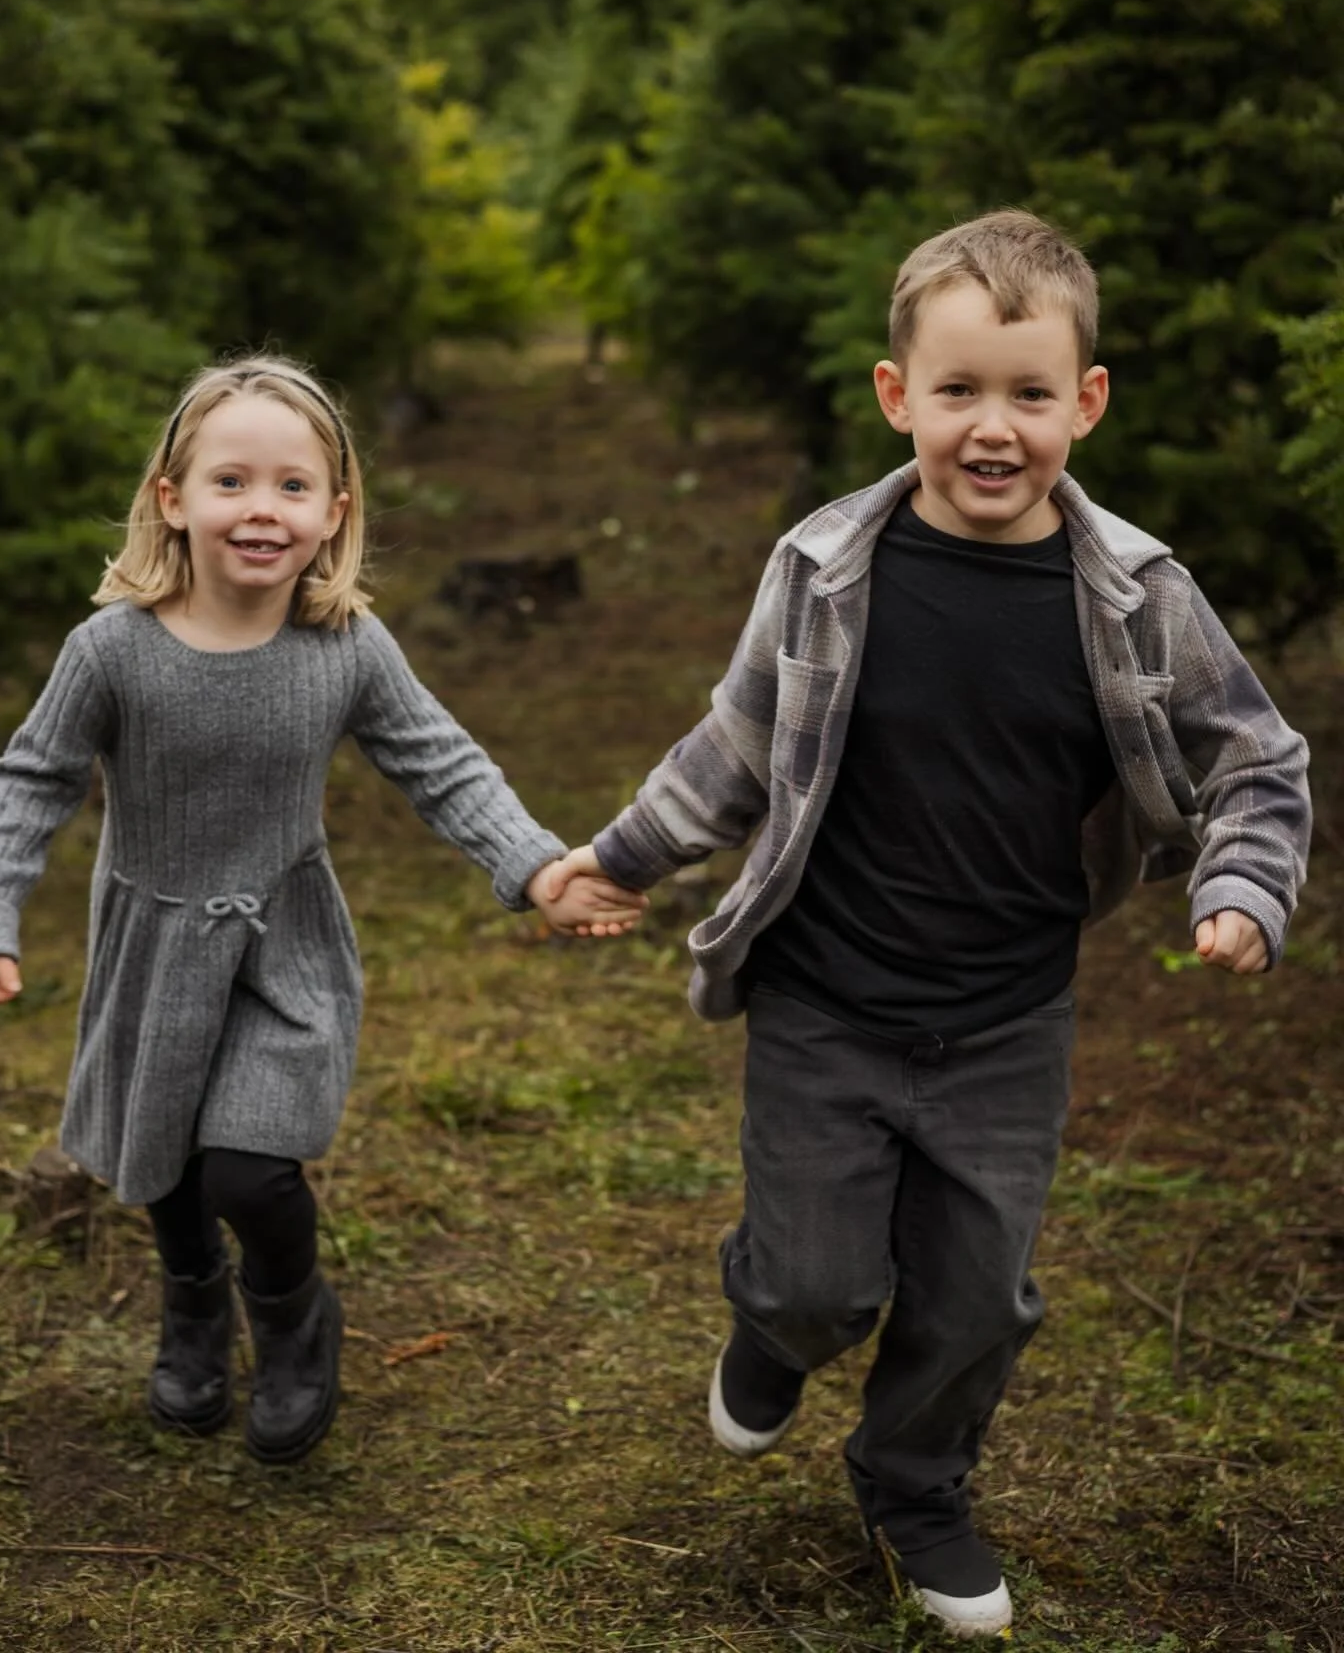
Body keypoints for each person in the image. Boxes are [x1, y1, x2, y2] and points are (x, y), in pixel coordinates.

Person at [544, 211, 1311, 1637]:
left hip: (1008, 1023)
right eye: (958, 392)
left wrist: (1244, 886)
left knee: (974, 1305)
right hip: (828, 1007)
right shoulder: (829, 569)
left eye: (1030, 394)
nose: (994, 428)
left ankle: (914, 1484)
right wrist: (627, 855)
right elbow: (739, 742)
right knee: (821, 1283)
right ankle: (773, 1327)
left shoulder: (1141, 599)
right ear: (899, 396)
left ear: (1086, 401)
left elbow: (1258, 758)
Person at [0, 355, 645, 1465]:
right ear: (172, 498)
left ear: (333, 512)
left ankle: (293, 1314)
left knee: (249, 1167)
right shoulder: (112, 650)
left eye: (292, 487)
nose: (261, 508)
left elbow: (443, 766)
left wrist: (539, 868)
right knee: (162, 1160)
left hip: (286, 945)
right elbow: (28, 780)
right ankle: (192, 1310)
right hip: (153, 942)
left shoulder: (344, 647)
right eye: (230, 482)